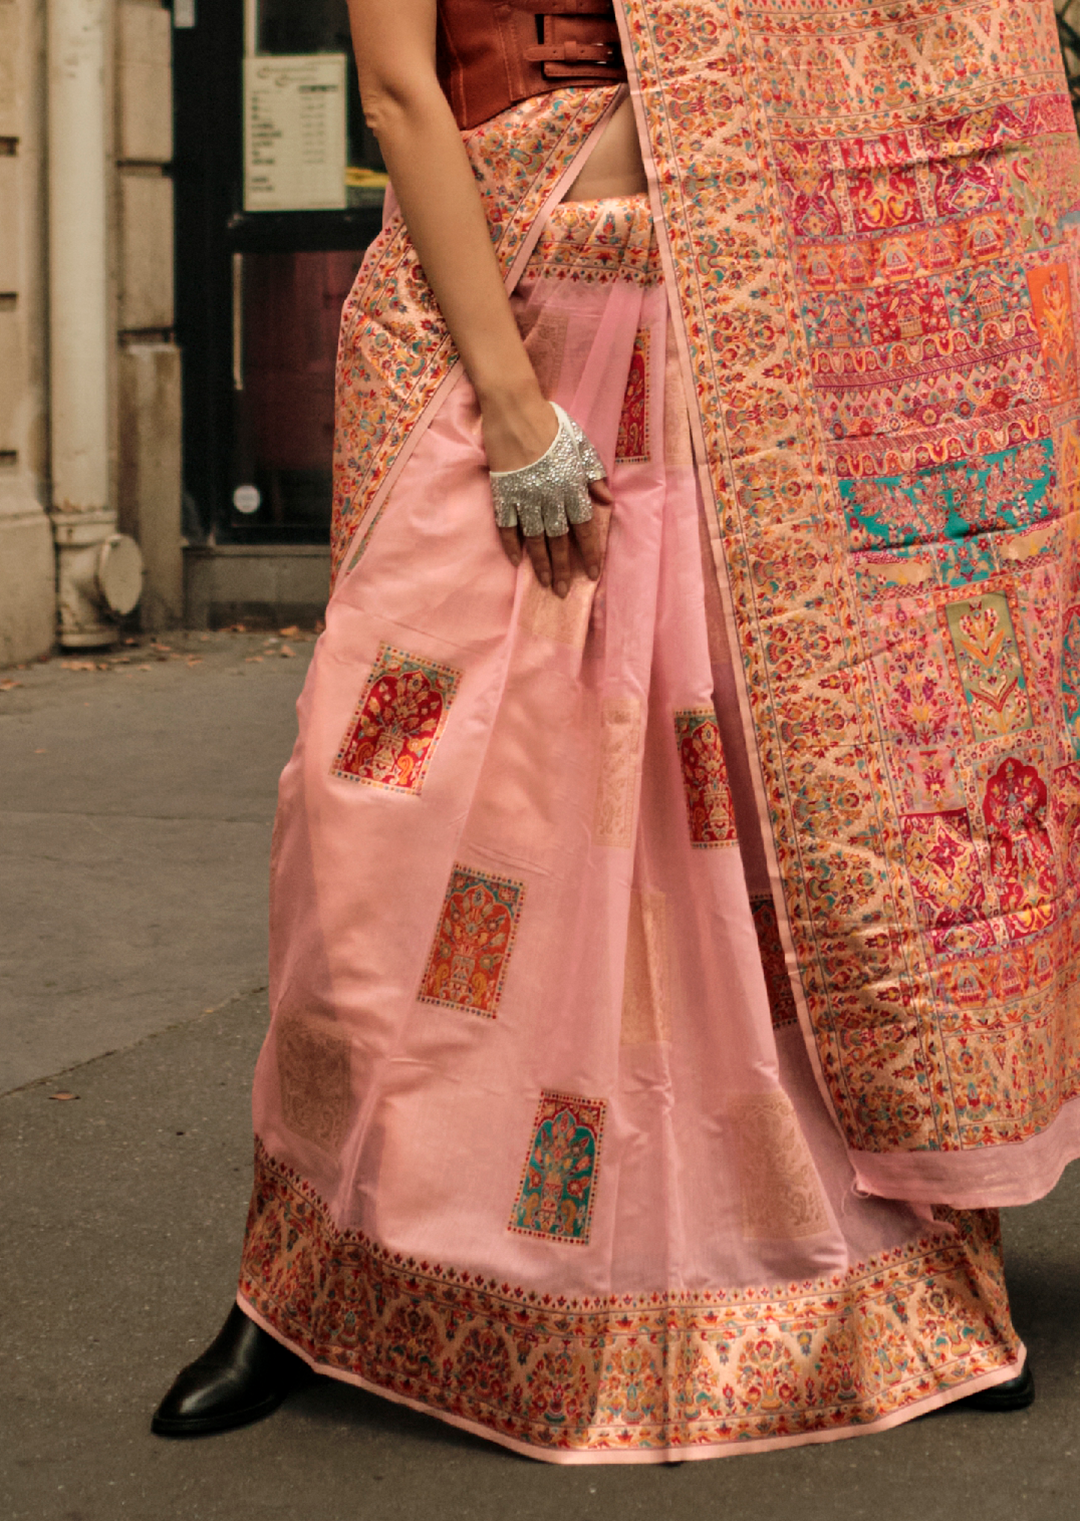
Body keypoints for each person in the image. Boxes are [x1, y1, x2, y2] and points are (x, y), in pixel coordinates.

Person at [153, 0, 1080, 1461]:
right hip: (494, 350)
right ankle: (304, 1283)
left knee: (768, 830)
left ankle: (899, 1269)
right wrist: (518, 416)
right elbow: (401, 97)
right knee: (377, 823)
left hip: (738, 354)